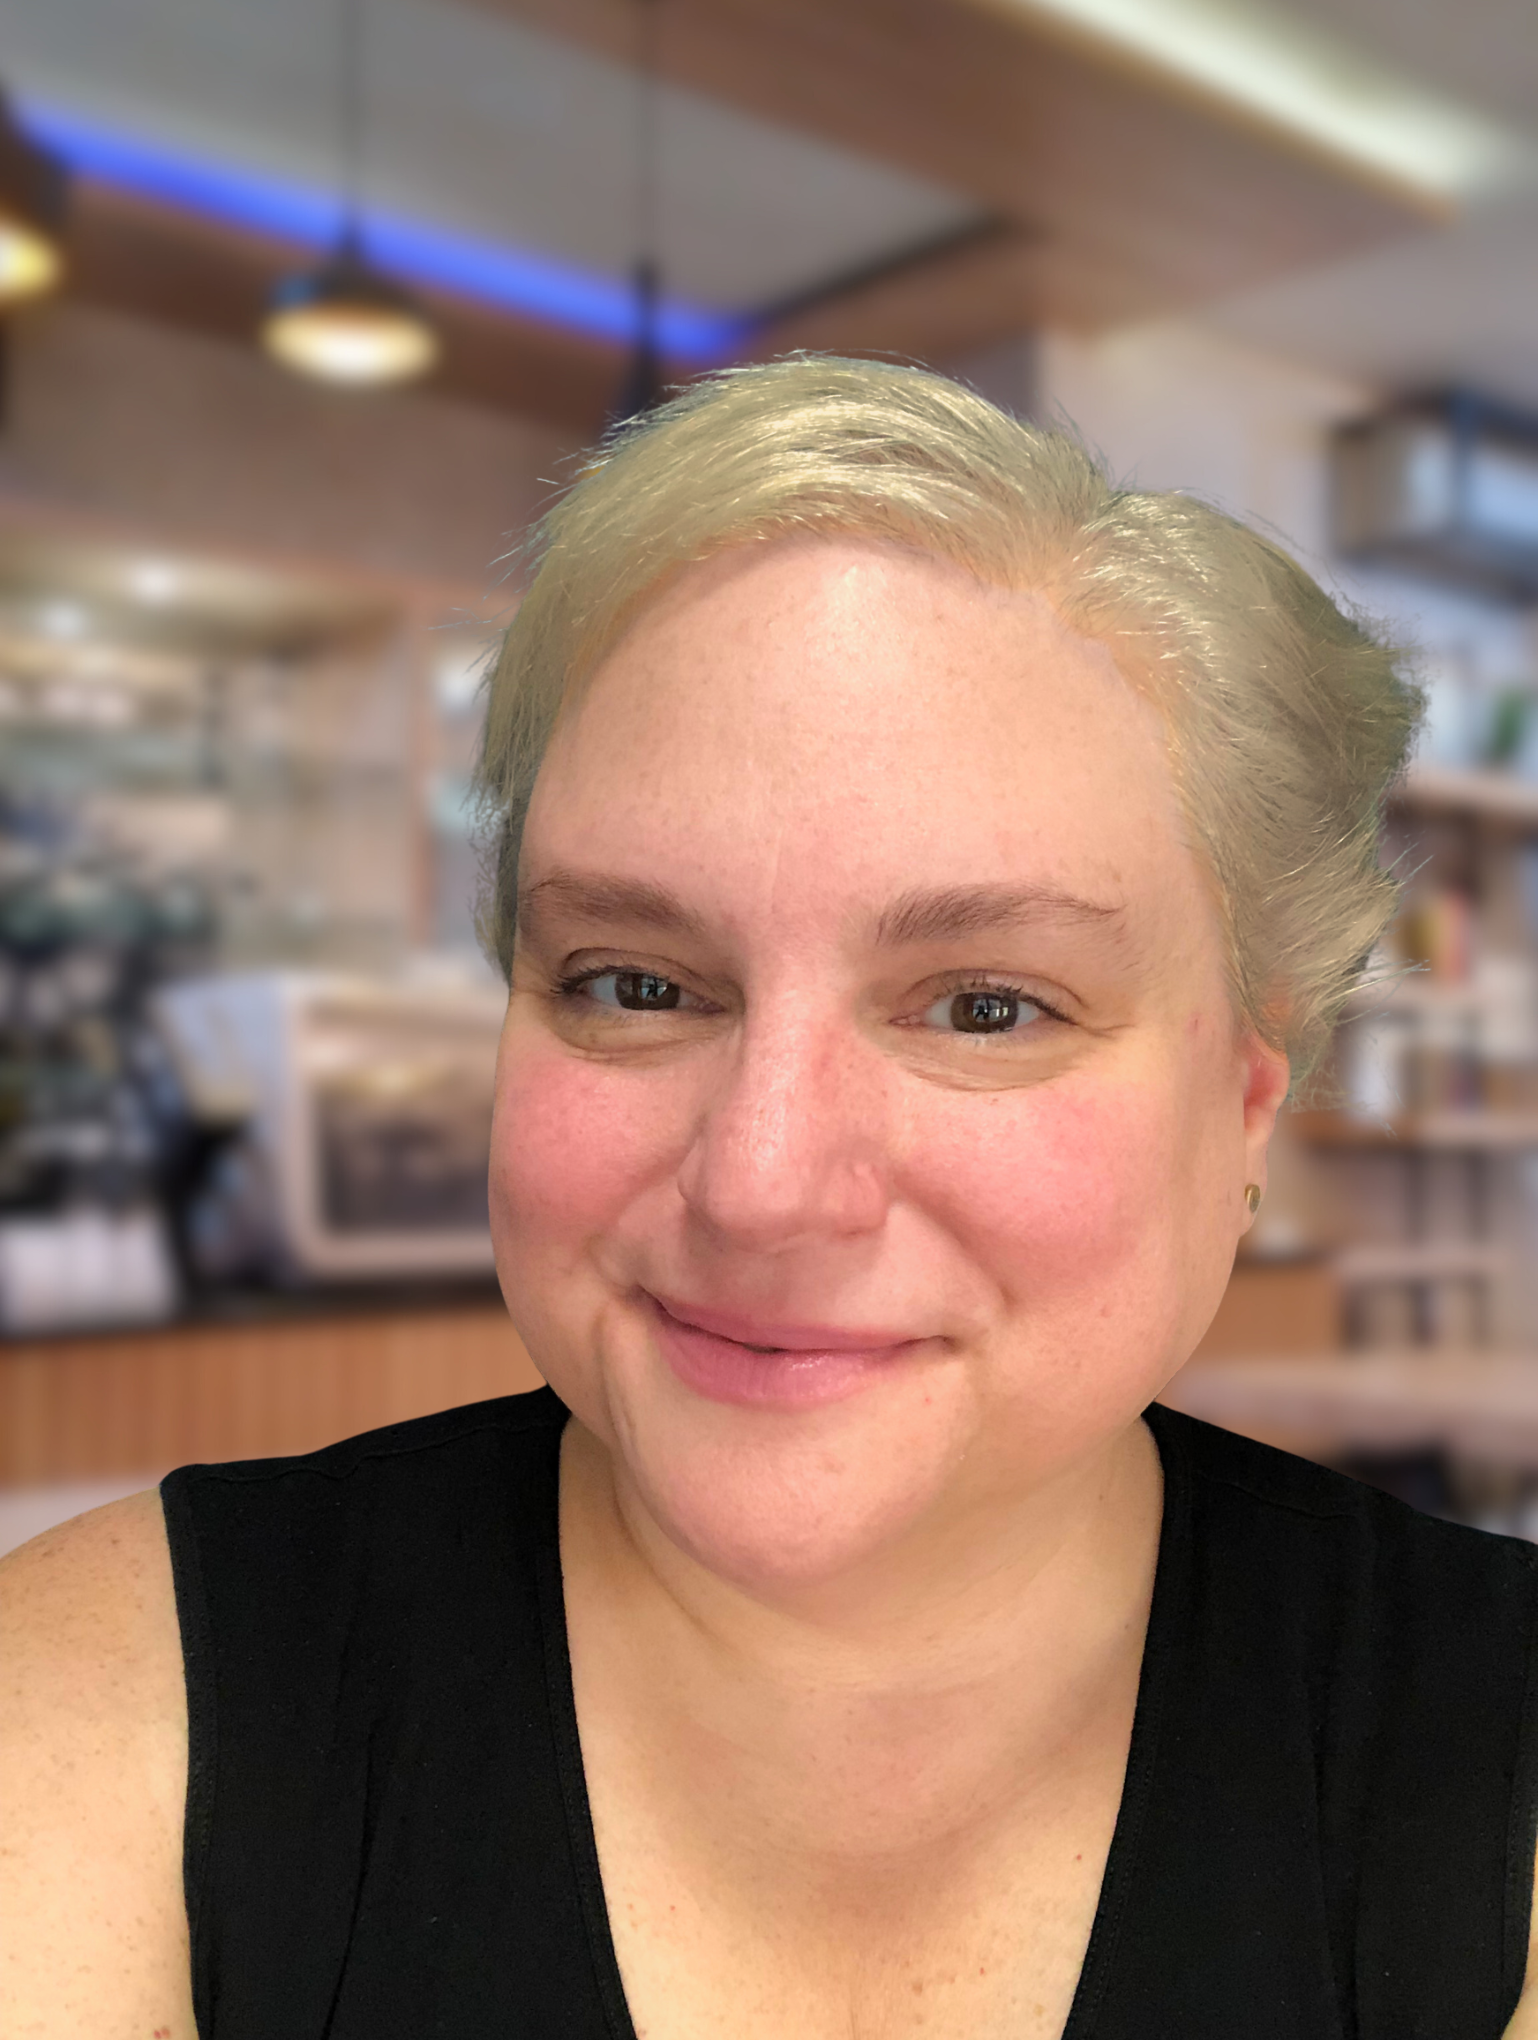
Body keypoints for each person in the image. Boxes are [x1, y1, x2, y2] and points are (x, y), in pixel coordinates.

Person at [3, 354, 1536, 2039]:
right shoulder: (99, 1715)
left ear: (1246, 1102)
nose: (762, 1182)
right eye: (634, 984)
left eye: (983, 1005)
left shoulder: (1485, 1754)